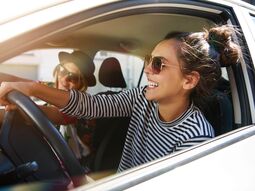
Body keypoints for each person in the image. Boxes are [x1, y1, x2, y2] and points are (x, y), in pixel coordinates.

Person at [0, 25, 241, 172]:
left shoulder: (196, 136)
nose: (148, 69)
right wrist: (31, 88)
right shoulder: (142, 98)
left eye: (158, 64)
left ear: (189, 80)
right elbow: (90, 106)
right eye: (148, 59)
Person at [0, 50, 97, 163]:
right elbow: (16, 80)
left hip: (74, 169)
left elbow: (57, 115)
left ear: (82, 84)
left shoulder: (82, 104)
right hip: (48, 158)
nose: (64, 80)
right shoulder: (51, 88)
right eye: (63, 71)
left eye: (74, 78)